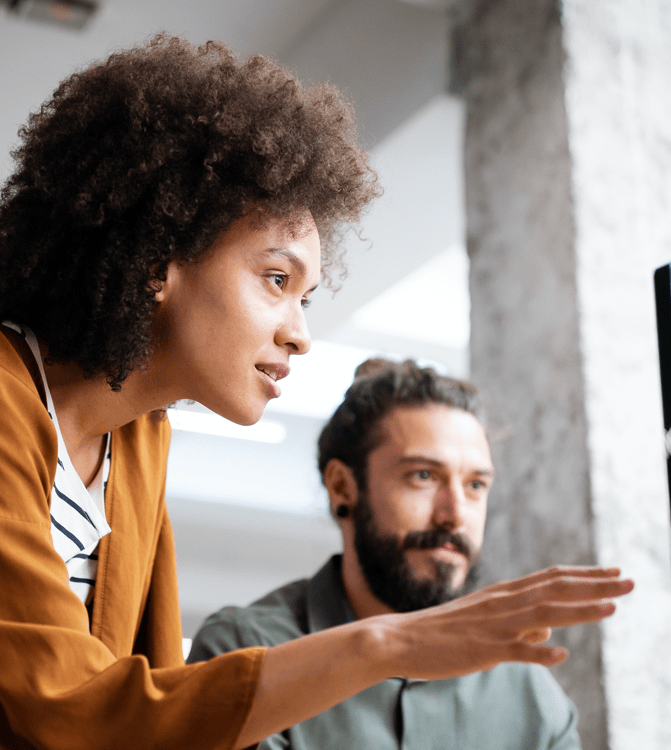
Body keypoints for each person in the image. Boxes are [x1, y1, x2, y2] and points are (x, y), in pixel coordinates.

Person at [0, 33, 633, 750]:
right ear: (156, 259)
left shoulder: (140, 438)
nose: (299, 333)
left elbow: (154, 703)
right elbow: (84, 710)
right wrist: (383, 646)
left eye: (307, 297)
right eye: (276, 280)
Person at [189, 359, 583, 749]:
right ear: (343, 487)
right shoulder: (243, 653)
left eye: (476, 484)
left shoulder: (530, 691)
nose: (456, 515)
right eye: (423, 476)